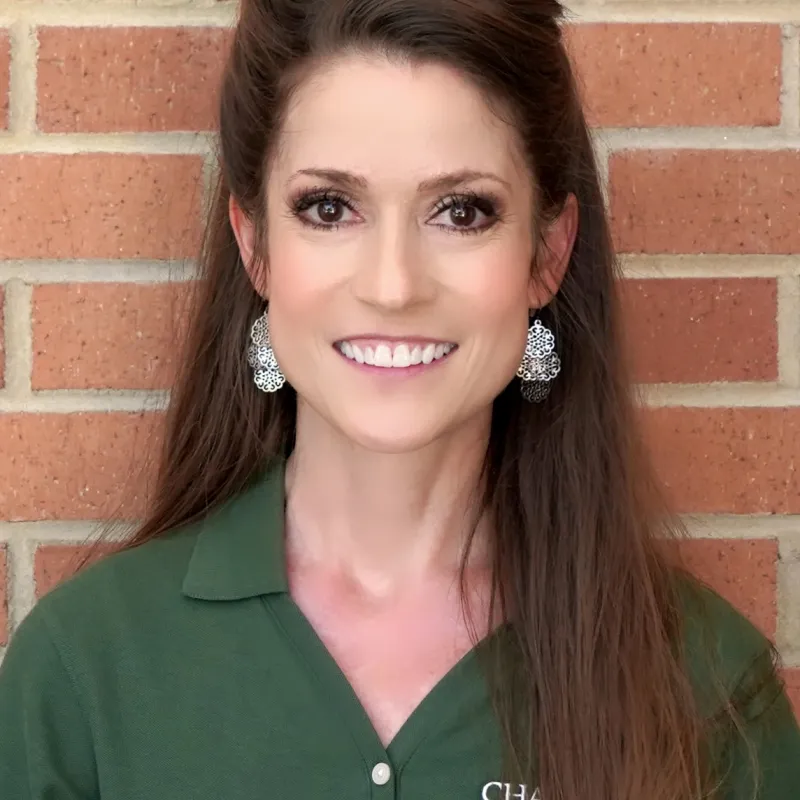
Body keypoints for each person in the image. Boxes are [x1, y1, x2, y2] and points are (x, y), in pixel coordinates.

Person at [1, 0, 799, 798]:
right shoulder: (83, 676)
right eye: (329, 208)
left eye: (461, 212)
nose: (393, 286)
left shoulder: (708, 689)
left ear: (547, 254)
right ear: (255, 246)